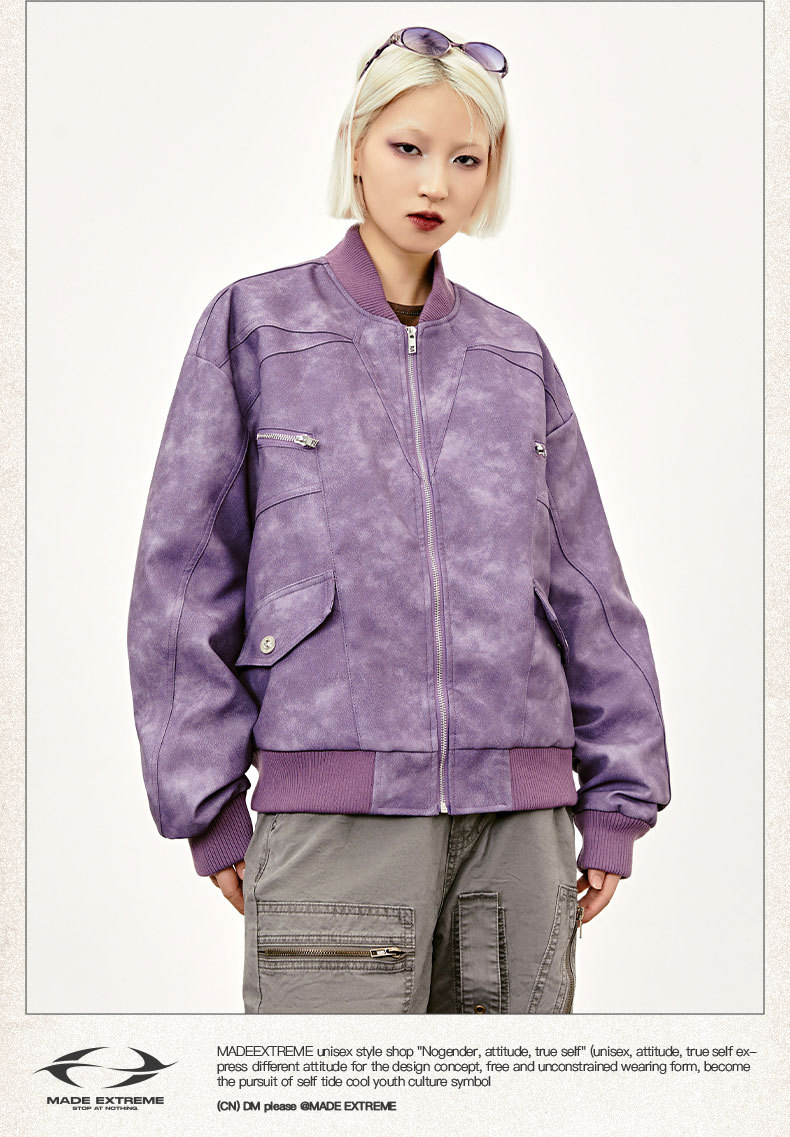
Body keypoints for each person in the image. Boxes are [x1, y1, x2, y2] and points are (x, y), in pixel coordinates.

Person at [127, 26, 671, 1014]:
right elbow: (182, 579)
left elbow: (589, 587)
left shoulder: (514, 356)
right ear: (355, 146)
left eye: (466, 159)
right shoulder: (258, 328)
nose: (434, 183)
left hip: (521, 831)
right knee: (343, 1092)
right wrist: (206, 807)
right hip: (336, 823)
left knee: (512, 1097)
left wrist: (618, 802)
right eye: (407, 147)